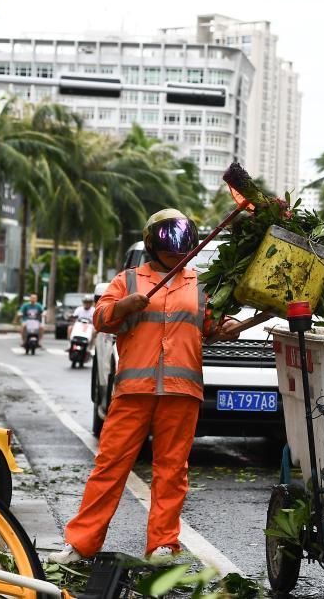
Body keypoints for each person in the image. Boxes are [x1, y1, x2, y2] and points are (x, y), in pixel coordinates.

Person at [50, 209, 241, 564]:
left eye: (183, 241)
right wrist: (123, 305)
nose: (175, 248)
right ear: (152, 242)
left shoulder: (201, 284)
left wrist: (228, 327)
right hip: (134, 391)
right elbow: (101, 319)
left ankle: (162, 545)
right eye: (168, 240)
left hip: (181, 393)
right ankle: (81, 544)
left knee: (172, 471)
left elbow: (211, 326)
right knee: (109, 467)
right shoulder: (130, 280)